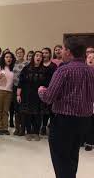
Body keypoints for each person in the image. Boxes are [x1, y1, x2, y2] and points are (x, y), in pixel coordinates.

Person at [38, 37, 94, 178]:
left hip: (64, 121)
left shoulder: (63, 71)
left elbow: (49, 97)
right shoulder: (91, 72)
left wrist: (41, 90)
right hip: (84, 121)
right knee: (72, 155)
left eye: (62, 49)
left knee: (61, 158)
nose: (61, 51)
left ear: (68, 51)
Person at [17, 51, 49, 141]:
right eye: (37, 56)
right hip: (27, 95)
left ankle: (36, 132)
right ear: (33, 57)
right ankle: (28, 132)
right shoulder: (26, 69)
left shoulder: (45, 70)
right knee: (27, 114)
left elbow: (47, 84)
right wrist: (18, 94)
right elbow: (21, 82)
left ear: (42, 59)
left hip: (39, 96)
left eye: (40, 56)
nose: (38, 57)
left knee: (38, 115)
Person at [0, 51, 15, 135]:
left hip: (9, 91)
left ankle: (5, 127)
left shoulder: (13, 68)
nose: (9, 58)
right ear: (3, 58)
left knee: (6, 111)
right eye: (7, 57)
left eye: (10, 57)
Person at [40, 47, 57, 136]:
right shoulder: (39, 64)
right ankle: (41, 126)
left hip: (50, 90)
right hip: (39, 90)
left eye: (46, 53)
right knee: (41, 109)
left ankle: (49, 127)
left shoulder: (53, 65)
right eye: (43, 53)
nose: (44, 54)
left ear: (50, 54)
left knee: (50, 110)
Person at [12, 47, 28, 136]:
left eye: (21, 52)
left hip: (23, 89)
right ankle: (17, 128)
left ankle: (23, 129)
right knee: (16, 109)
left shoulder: (27, 63)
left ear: (24, 53)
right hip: (14, 87)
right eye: (18, 52)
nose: (19, 54)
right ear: (16, 54)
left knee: (23, 109)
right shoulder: (14, 63)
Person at [84, 52, 94, 151]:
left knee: (91, 122)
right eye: (89, 57)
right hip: (83, 100)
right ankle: (81, 140)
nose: (90, 59)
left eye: (93, 58)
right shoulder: (82, 70)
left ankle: (90, 142)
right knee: (83, 122)